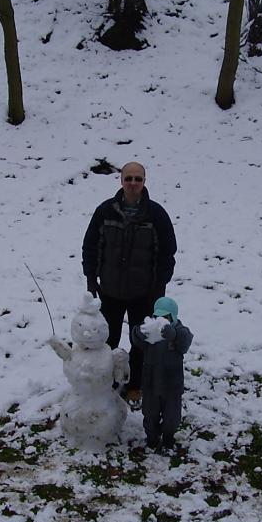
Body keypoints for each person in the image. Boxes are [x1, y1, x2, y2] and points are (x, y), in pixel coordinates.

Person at [82, 161, 177, 402]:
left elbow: (167, 253)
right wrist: (91, 278)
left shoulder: (156, 214)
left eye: (138, 179)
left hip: (143, 293)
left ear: (144, 182)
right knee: (108, 340)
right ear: (121, 180)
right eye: (129, 178)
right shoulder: (105, 211)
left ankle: (135, 384)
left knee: (141, 342)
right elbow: (90, 246)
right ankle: (108, 382)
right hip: (110, 291)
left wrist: (159, 286)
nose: (133, 183)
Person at [130, 297, 193, 451]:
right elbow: (136, 339)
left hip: (172, 384)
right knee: (149, 413)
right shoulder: (150, 329)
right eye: (158, 316)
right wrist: (139, 333)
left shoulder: (180, 331)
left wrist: (174, 335)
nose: (161, 320)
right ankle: (152, 437)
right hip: (150, 382)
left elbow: (185, 342)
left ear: (173, 317)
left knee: (172, 416)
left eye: (166, 317)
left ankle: (168, 437)